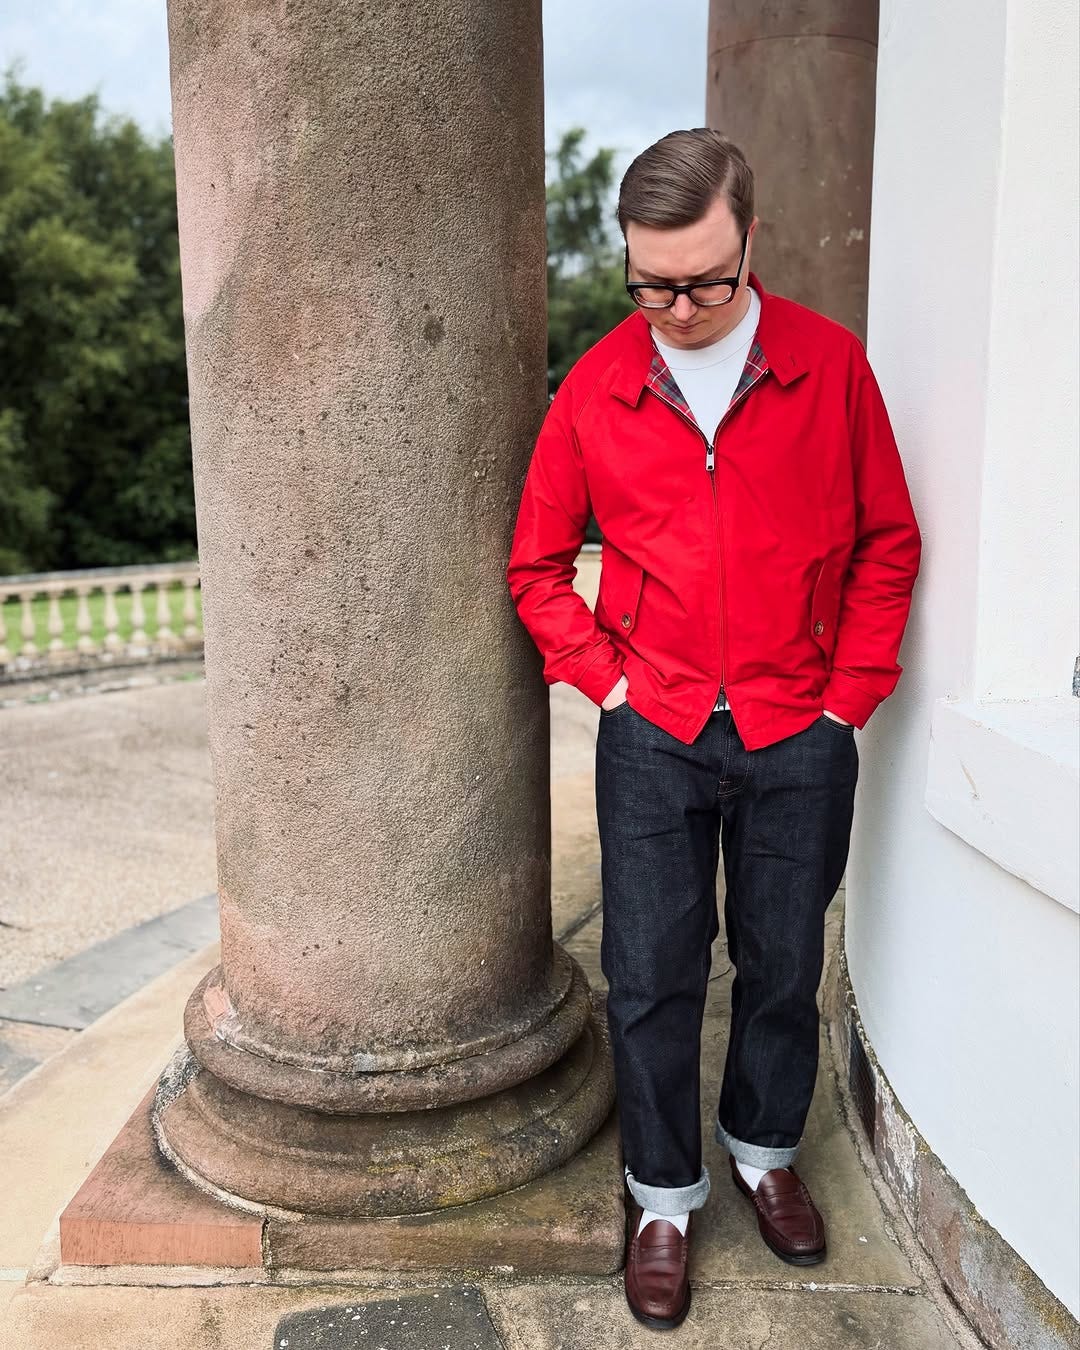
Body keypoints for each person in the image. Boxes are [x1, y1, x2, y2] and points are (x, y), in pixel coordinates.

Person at [506, 128, 921, 1333]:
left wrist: (850, 696)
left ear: (754, 243)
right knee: (648, 977)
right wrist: (608, 681)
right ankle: (665, 1198)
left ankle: (763, 1149)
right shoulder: (595, 386)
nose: (677, 308)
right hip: (657, 729)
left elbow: (889, 544)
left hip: (803, 725)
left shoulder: (831, 369)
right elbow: (536, 567)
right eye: (651, 284)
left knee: (786, 960)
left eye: (704, 281)